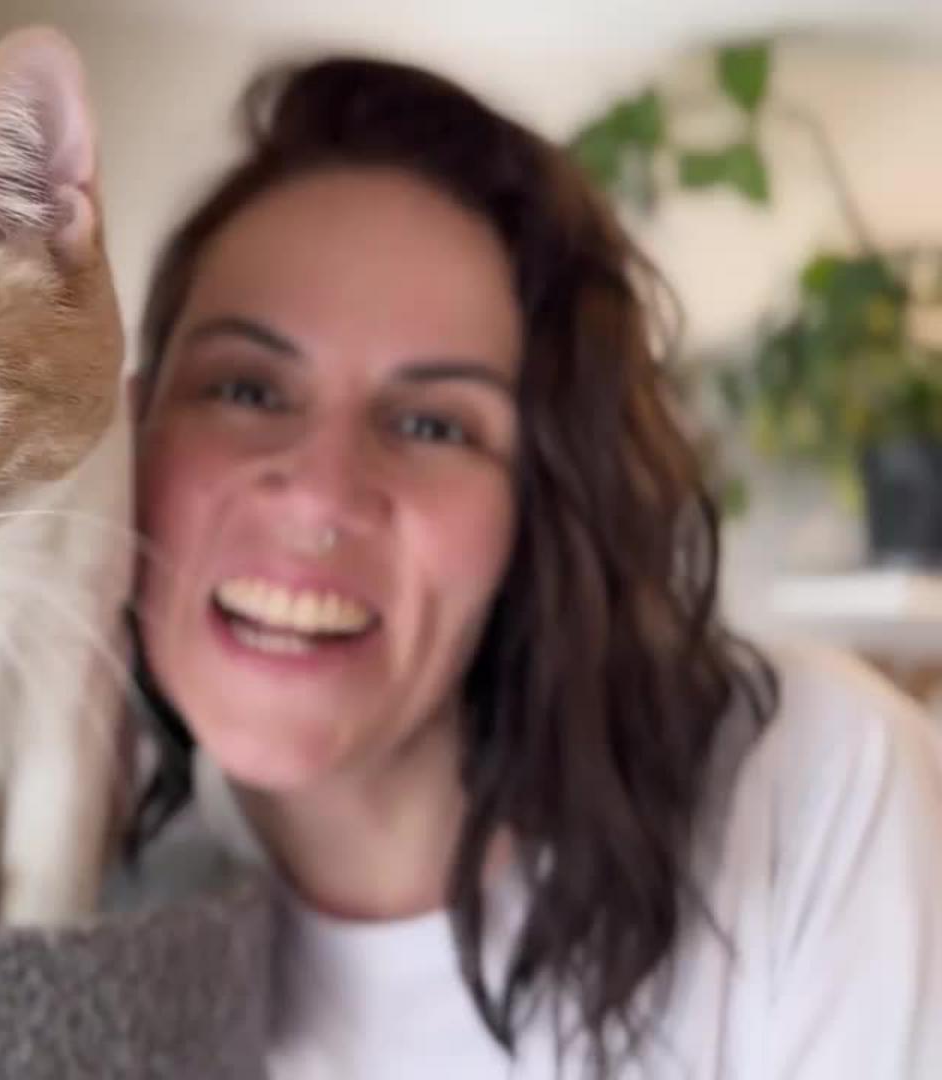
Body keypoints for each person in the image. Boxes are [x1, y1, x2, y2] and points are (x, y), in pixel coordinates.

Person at [122, 55, 942, 1078]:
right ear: (126, 430)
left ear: (539, 502)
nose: (321, 498)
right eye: (246, 390)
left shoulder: (809, 789)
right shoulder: (48, 908)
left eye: (433, 424)